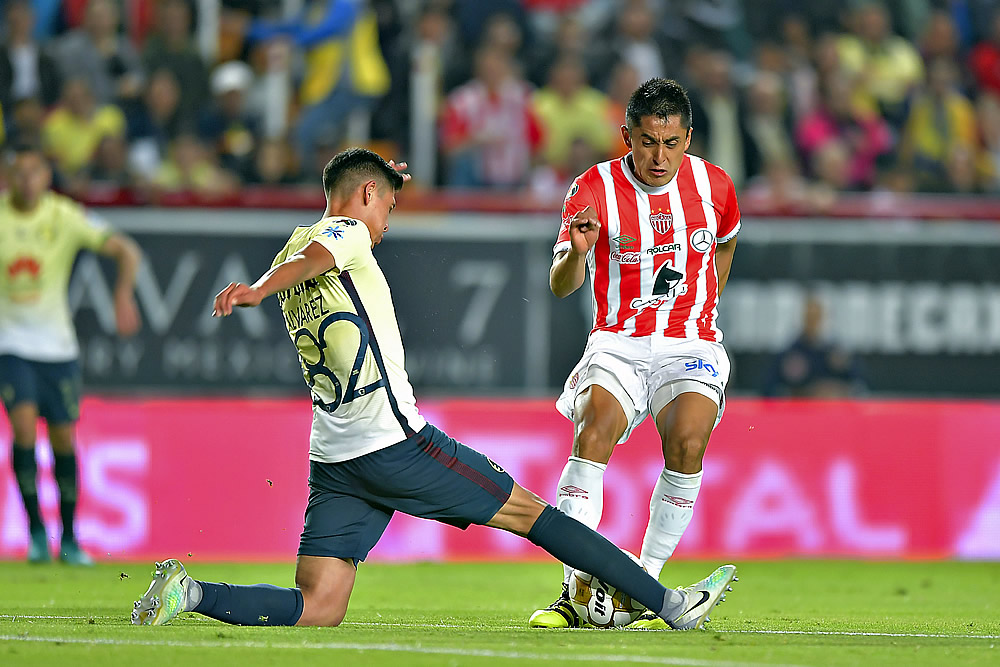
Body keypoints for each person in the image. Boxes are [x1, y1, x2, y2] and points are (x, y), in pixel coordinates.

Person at [130, 148, 737, 629]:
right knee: (535, 515)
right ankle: (667, 603)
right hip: (397, 446)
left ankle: (190, 593)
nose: (387, 224)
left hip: (335, 457)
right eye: (388, 207)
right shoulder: (343, 234)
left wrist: (267, 282)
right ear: (366, 197)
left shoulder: (296, 242)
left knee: (320, 606)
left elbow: (303, 257)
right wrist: (259, 291)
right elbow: (324, 248)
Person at [529, 78, 740, 630]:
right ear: (627, 136)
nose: (659, 156)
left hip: (690, 342)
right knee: (593, 429)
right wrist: (577, 254)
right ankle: (577, 589)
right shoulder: (593, 187)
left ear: (688, 138)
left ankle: (640, 585)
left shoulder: (714, 185)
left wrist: (706, 304)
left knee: (689, 441)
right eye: (647, 142)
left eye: (671, 144)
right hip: (619, 341)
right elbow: (561, 285)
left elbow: (728, 240)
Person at [0, 142, 142, 565]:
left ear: (46, 176)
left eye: (35, 172)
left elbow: (125, 249)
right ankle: (37, 534)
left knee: (63, 437)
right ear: (9, 177)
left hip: (58, 349)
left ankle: (70, 535)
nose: (27, 180)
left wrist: (122, 295)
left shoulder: (64, 216)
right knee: (24, 430)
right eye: (19, 172)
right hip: (11, 346)